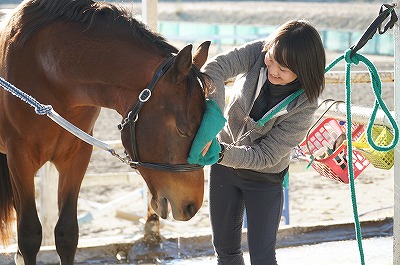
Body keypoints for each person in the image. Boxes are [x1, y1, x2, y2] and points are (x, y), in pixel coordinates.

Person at [201, 20, 326, 264]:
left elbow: (266, 156)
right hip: (223, 170)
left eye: (285, 69)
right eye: (272, 59)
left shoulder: (305, 105)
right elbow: (214, 68)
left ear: (304, 71)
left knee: (262, 257)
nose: (274, 70)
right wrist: (214, 116)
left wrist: (219, 152)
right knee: (225, 251)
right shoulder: (258, 53)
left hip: (264, 178)